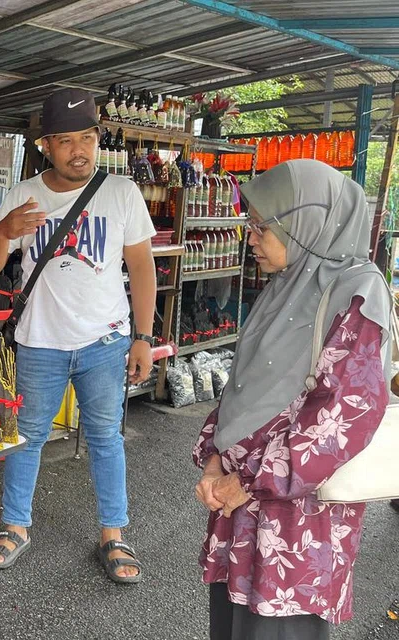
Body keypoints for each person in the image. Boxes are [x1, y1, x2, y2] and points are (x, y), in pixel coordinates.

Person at [193, 160, 391, 639]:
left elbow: (345, 414)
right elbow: (244, 382)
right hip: (240, 505)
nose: (251, 238)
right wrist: (216, 460)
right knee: (233, 624)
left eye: (263, 227)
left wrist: (250, 482)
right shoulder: (287, 284)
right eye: (250, 225)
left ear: (306, 222)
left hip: (297, 521)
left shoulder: (357, 293)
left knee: (280, 629)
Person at [0, 88, 157, 583]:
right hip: (39, 341)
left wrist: (143, 336)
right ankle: (15, 526)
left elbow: (142, 267)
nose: (79, 149)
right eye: (66, 140)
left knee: (105, 438)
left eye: (88, 137)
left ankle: (114, 535)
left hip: (106, 341)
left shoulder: (121, 192)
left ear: (98, 139)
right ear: (46, 145)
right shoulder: (24, 195)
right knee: (27, 437)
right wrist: (4, 232)